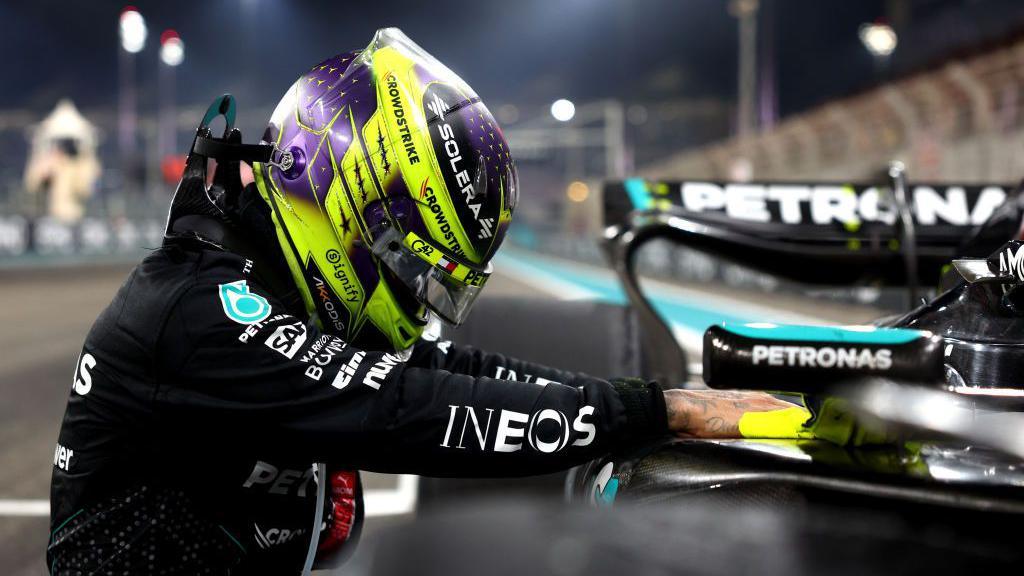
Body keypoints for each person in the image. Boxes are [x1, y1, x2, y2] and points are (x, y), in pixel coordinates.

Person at [47, 29, 799, 575]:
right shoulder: (200, 310)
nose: (417, 297)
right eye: (413, 266)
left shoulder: (266, 280)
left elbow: (445, 368)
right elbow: (408, 408)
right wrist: (651, 413)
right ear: (349, 204)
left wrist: (658, 402)